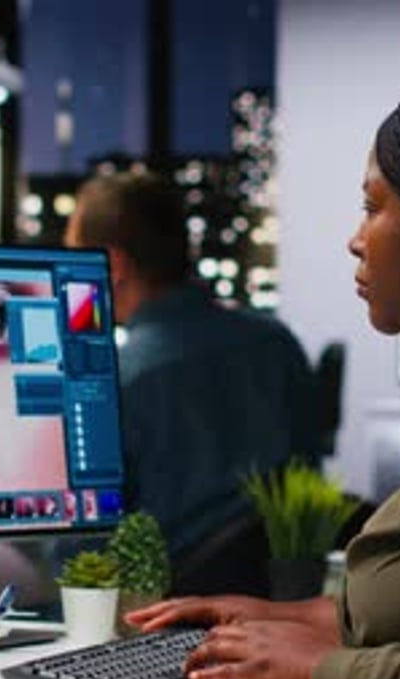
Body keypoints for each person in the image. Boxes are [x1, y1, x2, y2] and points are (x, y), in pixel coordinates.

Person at [77, 70, 400, 679]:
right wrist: (299, 615)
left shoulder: (130, 376)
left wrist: (323, 670)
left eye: (373, 207)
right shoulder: (278, 345)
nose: (355, 240)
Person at [64, 171, 320, 557]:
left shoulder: (113, 382)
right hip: (283, 601)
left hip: (157, 608)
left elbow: (83, 553)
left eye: (74, 253)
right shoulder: (277, 343)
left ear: (112, 267)